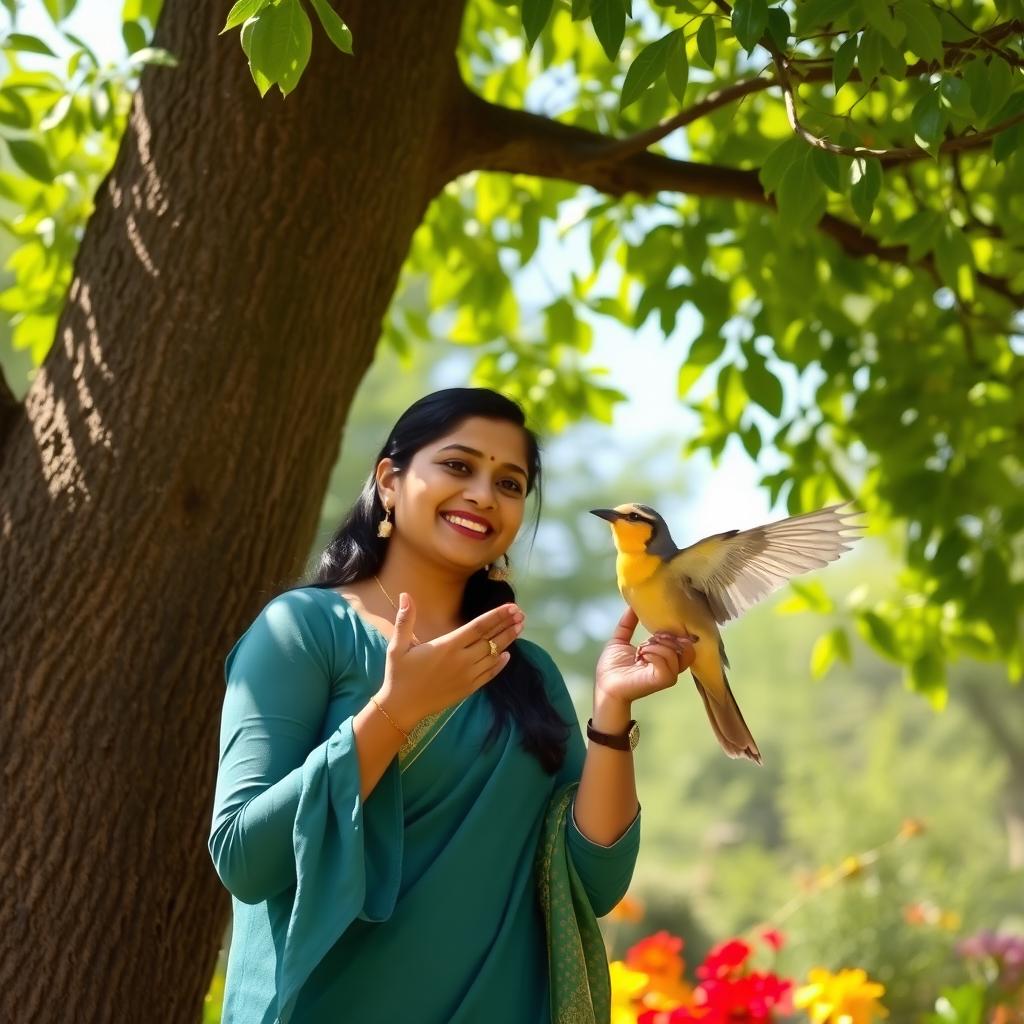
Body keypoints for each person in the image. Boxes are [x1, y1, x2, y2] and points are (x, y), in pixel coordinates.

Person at [207, 387, 695, 1024]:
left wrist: (609, 712)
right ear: (389, 480)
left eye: (511, 483)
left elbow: (591, 884)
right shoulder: (302, 632)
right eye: (459, 467)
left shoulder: (526, 675)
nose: (484, 495)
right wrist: (394, 711)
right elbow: (246, 858)